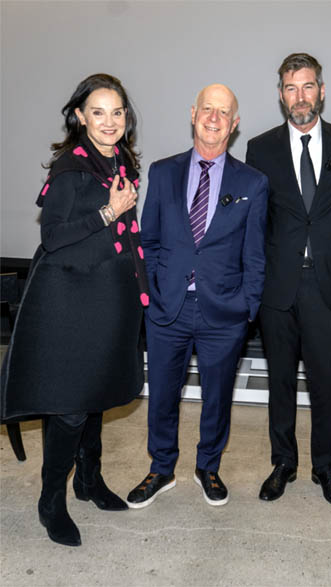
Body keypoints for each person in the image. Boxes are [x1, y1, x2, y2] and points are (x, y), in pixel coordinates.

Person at [0, 74, 148, 546]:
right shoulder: (71, 169)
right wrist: (108, 212)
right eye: (99, 112)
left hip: (108, 300)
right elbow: (53, 237)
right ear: (81, 117)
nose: (110, 122)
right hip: (69, 305)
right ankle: (51, 501)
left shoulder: (119, 161)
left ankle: (88, 482)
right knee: (68, 407)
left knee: (96, 395)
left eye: (117, 111)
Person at [127, 84, 268, 508]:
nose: (213, 118)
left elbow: (256, 254)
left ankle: (208, 466)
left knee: (217, 397)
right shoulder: (163, 171)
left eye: (223, 112)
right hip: (167, 307)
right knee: (163, 396)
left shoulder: (253, 182)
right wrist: (151, 294)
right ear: (193, 113)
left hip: (224, 312)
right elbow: (147, 241)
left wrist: (248, 307)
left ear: (234, 123)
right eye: (207, 108)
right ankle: (161, 468)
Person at [246, 53, 331, 506]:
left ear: (321, 90)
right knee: (279, 379)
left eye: (307, 86)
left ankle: (324, 465)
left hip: (328, 286)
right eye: (290, 88)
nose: (299, 96)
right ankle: (283, 462)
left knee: (326, 380)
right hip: (277, 289)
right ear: (281, 95)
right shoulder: (260, 149)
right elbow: (252, 223)